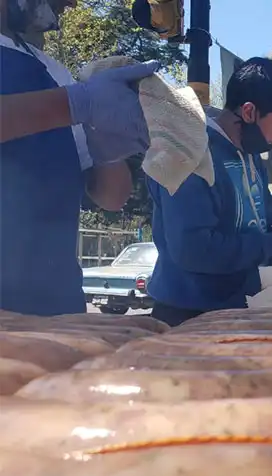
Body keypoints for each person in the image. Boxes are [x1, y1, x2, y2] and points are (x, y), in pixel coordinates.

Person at [1, 0, 159, 316]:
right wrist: (76, 104)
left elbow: (112, 198)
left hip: (56, 304)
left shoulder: (53, 72)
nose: (71, 3)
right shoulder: (66, 94)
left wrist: (110, 151)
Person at [145, 57, 272, 326]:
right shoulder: (189, 154)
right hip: (187, 315)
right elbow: (192, 249)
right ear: (248, 112)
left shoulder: (252, 155)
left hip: (239, 306)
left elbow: (247, 219)